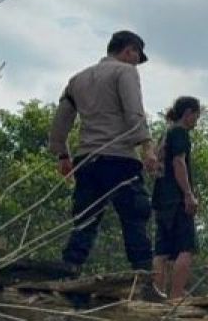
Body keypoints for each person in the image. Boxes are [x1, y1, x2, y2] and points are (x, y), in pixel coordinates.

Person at [50, 31, 159, 283]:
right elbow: (134, 111)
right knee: (135, 219)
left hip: (87, 158)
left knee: (84, 220)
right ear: (129, 50)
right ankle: (144, 280)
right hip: (119, 157)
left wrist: (62, 154)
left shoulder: (77, 79)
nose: (136, 62)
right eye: (136, 56)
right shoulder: (125, 72)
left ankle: (68, 272)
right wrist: (147, 146)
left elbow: (61, 122)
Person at [151, 96, 202, 300]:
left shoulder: (165, 134)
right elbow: (179, 163)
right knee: (187, 247)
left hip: (161, 198)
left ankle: (157, 292)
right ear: (188, 113)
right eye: (196, 116)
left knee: (162, 249)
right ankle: (176, 295)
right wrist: (188, 194)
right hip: (176, 198)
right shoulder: (180, 132)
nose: (196, 121)